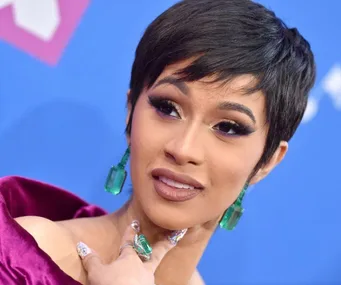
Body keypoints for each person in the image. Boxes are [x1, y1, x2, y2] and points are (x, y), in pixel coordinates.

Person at [0, 0, 316, 284]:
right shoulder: (28, 257)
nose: (183, 149)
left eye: (228, 127)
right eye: (167, 108)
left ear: (268, 160)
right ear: (130, 113)